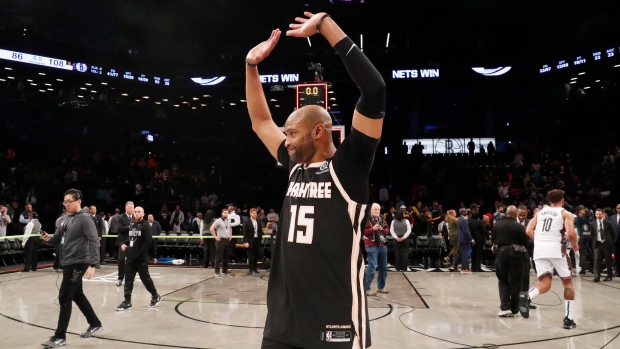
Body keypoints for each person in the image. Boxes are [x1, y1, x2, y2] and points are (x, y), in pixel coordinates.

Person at [245, 10, 385, 349]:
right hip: (282, 322)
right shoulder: (295, 166)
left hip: (333, 323)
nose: (286, 139)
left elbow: (375, 90)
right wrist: (251, 67)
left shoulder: (348, 167)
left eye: (292, 132)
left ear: (320, 131)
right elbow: (261, 122)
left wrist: (324, 25)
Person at [40, 189, 103, 348]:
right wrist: (48, 239)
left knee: (64, 297)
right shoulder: (65, 219)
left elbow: (94, 241)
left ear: (79, 201)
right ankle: (95, 323)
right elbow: (56, 238)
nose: (66, 204)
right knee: (77, 294)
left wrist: (93, 264)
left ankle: (60, 336)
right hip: (68, 262)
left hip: (78, 263)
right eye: (65, 202)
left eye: (69, 201)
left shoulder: (85, 219)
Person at [521, 189, 579, 329]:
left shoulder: (540, 213)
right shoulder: (566, 213)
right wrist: (575, 245)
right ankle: (568, 319)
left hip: (539, 250)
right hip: (557, 250)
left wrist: (540, 241)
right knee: (567, 283)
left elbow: (528, 230)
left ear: (549, 200)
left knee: (545, 283)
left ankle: (527, 296)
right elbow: (571, 233)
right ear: (562, 200)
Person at [115, 206, 162, 311]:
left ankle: (155, 296)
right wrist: (124, 244)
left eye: (138, 212)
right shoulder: (132, 224)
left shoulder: (146, 226)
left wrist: (140, 253)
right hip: (130, 258)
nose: (136, 213)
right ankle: (127, 302)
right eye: (135, 211)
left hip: (141, 259)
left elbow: (148, 241)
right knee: (128, 280)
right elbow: (131, 238)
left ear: (143, 213)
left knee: (145, 279)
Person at [492, 205, 531, 317]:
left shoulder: (497, 224)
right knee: (516, 282)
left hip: (501, 252)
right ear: (515, 214)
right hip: (515, 254)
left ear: (506, 212)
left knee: (502, 280)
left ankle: (505, 308)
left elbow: (493, 239)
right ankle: (515, 309)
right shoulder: (518, 226)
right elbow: (526, 243)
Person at [365, 203, 390, 296]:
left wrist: (381, 229)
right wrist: (373, 229)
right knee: (372, 266)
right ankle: (366, 288)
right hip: (371, 245)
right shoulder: (366, 219)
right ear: (370, 210)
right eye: (375, 209)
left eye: (378, 209)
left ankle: (381, 287)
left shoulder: (381, 218)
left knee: (383, 267)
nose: (377, 211)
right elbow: (363, 231)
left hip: (382, 245)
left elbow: (387, 230)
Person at [589, 208, 615, 282]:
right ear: (595, 214)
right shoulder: (592, 223)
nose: (598, 216)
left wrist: (610, 242)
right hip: (597, 244)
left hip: (606, 244)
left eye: (600, 214)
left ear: (602, 214)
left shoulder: (608, 223)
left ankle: (609, 275)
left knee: (608, 260)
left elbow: (613, 233)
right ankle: (597, 277)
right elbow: (591, 234)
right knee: (596, 260)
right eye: (597, 214)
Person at [114, 201, 134, 286]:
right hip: (123, 241)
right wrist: (129, 227)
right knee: (121, 259)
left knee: (133, 260)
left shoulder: (135, 217)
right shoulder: (120, 217)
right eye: (130, 208)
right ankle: (120, 278)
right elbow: (119, 229)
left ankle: (130, 278)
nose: (132, 209)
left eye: (133, 208)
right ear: (126, 208)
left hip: (133, 241)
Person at [210, 208, 232, 277]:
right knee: (219, 256)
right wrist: (215, 236)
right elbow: (211, 228)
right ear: (222, 214)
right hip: (220, 240)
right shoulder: (218, 221)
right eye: (224, 213)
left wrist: (230, 235)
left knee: (226, 256)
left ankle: (225, 271)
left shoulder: (229, 220)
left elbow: (230, 227)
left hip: (227, 239)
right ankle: (217, 272)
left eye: (227, 213)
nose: (226, 214)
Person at [243, 208, 263, 275]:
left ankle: (255, 268)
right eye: (254, 213)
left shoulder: (258, 221)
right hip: (250, 240)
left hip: (257, 240)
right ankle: (250, 269)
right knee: (250, 256)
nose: (255, 214)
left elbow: (260, 231)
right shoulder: (246, 221)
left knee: (256, 255)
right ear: (250, 214)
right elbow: (245, 232)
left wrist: (260, 239)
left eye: (256, 213)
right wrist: (245, 241)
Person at [456, 208, 475, 273]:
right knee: (465, 253)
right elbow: (466, 232)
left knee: (461, 252)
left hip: (461, 238)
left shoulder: (459, 219)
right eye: (465, 211)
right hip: (464, 239)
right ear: (463, 212)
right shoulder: (463, 220)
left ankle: (454, 265)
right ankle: (464, 268)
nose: (467, 212)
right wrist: (471, 239)